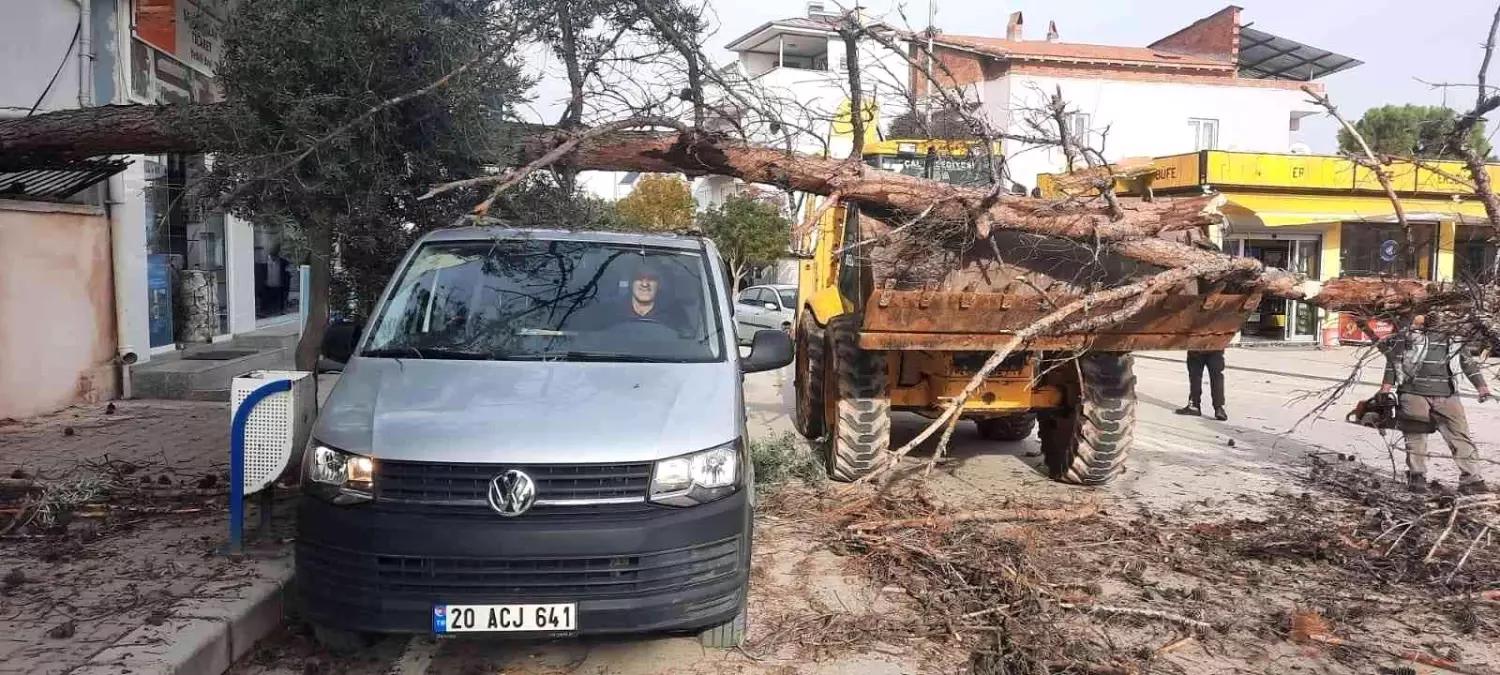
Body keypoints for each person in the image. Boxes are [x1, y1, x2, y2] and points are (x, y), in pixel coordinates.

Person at [1380, 313, 1491, 494]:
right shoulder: (1409, 336)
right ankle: (1417, 476)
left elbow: (1468, 363)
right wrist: (1385, 390)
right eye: (1433, 316)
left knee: (1459, 435)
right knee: (1416, 435)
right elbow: (1393, 363)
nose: (1437, 319)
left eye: (1442, 316)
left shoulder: (1455, 340)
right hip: (1413, 393)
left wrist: (1482, 387)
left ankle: (1471, 480)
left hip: (1448, 394)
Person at [1175, 350, 1228, 421]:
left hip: (1197, 348)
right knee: (1216, 377)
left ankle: (1194, 405)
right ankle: (1219, 408)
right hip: (1215, 348)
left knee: (1195, 376)